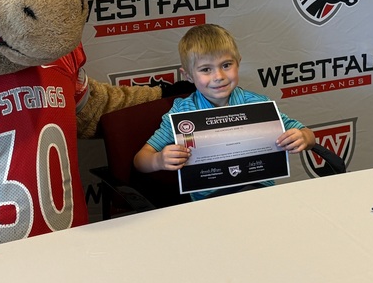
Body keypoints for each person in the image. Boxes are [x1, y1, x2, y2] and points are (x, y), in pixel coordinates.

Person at [134, 23, 314, 200]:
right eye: (206, 69)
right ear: (188, 75)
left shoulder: (258, 104)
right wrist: (158, 160)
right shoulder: (181, 112)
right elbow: (141, 159)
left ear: (238, 63)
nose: (219, 76)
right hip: (210, 203)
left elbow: (308, 135)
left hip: (259, 196)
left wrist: (302, 138)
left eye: (226, 65)